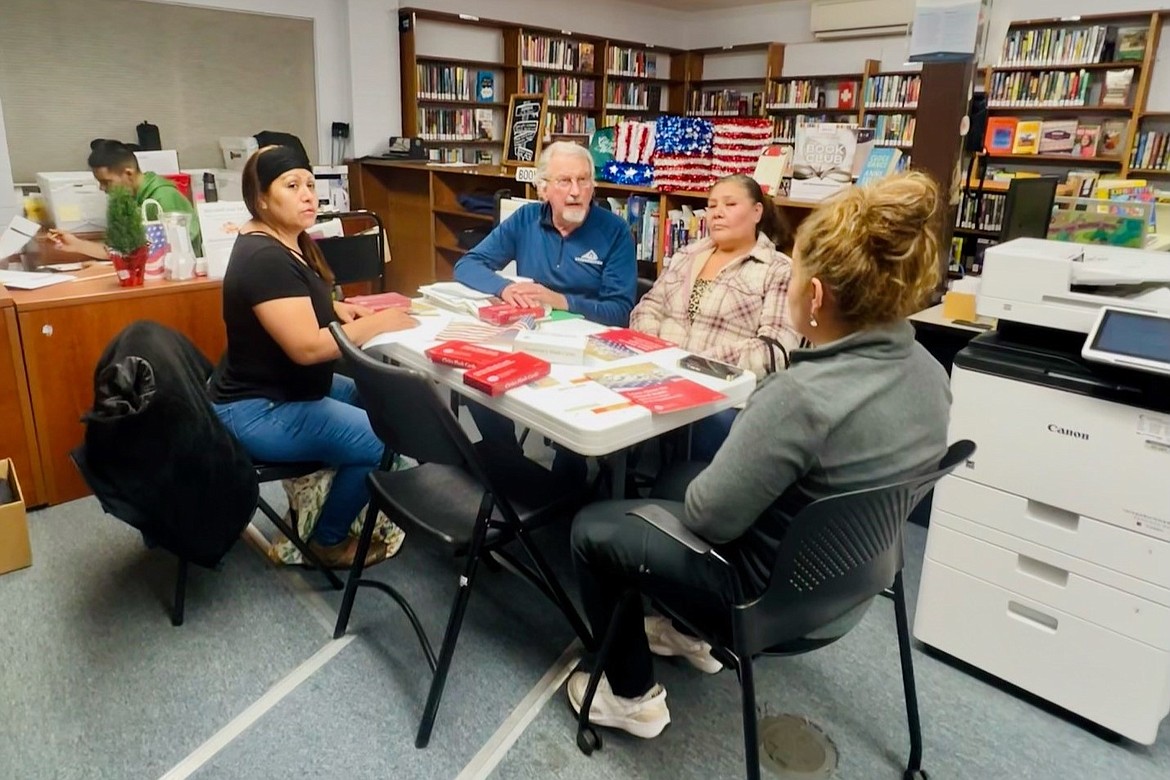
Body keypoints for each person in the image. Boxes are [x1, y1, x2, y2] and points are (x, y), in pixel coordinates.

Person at [566, 172, 953, 739]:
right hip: (854, 577)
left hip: (763, 599)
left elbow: (705, 518)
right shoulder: (930, 373)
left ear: (815, 296)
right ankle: (684, 634)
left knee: (594, 527)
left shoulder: (799, 397)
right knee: (678, 472)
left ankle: (630, 695)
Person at [208, 145, 419, 569]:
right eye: (291, 185)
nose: (308, 194)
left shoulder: (284, 241)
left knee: (375, 396)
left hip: (280, 390)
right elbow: (307, 348)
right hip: (258, 408)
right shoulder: (264, 258)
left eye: (309, 184)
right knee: (378, 437)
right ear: (261, 199)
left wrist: (340, 310)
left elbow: (304, 300)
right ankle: (328, 539)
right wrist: (379, 323)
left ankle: (361, 496)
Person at [453, 141, 637, 482]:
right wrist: (504, 288)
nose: (576, 192)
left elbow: (620, 312)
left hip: (588, 350)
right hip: (529, 336)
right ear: (543, 189)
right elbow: (467, 265)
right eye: (564, 181)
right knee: (475, 377)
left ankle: (569, 480)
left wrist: (561, 301)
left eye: (584, 181)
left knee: (571, 419)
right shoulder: (525, 219)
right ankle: (509, 460)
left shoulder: (615, 231)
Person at [630, 173, 801, 460]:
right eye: (711, 206)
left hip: (723, 394)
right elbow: (647, 307)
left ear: (757, 212)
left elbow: (774, 350)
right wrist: (660, 353)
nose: (717, 213)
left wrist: (693, 363)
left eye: (730, 204)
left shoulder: (779, 270)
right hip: (659, 376)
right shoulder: (687, 255)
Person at [49, 139, 203, 258]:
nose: (102, 188)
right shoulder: (129, 200)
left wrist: (109, 267)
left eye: (106, 182)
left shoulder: (163, 197)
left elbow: (170, 253)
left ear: (128, 173)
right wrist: (77, 244)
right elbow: (120, 250)